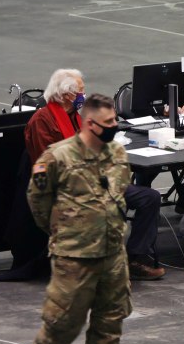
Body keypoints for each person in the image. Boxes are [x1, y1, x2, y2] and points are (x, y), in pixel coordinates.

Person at [26, 93, 133, 344]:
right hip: (75, 254)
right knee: (65, 319)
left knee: (111, 317)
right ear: (89, 123)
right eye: (109, 122)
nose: (114, 126)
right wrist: (61, 231)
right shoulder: (57, 157)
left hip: (113, 249)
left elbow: (118, 193)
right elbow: (38, 200)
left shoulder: (117, 153)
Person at [23, 68, 165, 280]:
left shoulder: (73, 117)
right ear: (66, 94)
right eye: (80, 91)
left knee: (149, 198)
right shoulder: (43, 121)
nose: (84, 95)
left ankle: (136, 258)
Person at [134, 53, 184, 213]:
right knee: (152, 159)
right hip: (159, 128)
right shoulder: (167, 77)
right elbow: (141, 106)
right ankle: (141, 196)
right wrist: (164, 109)